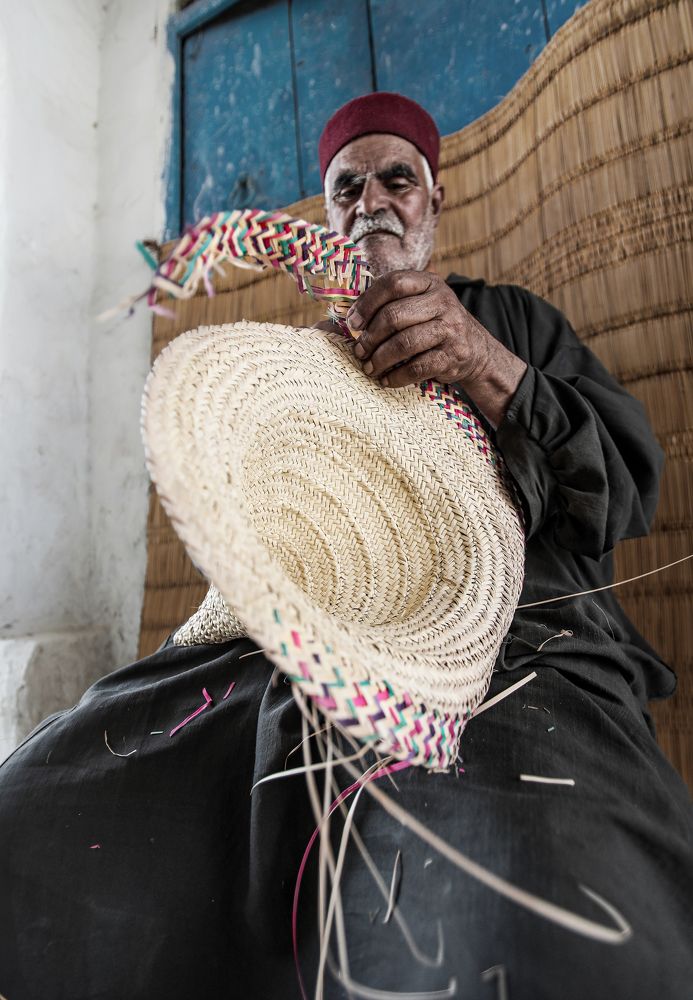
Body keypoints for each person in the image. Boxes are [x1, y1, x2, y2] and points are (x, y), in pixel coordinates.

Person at [0, 92, 690, 1000]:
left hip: (511, 653)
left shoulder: (510, 322)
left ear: (432, 201)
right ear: (327, 214)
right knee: (43, 806)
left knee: (512, 899)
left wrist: (480, 360)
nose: (372, 201)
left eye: (395, 179)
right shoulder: (301, 358)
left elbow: (628, 486)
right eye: (346, 187)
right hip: (288, 650)